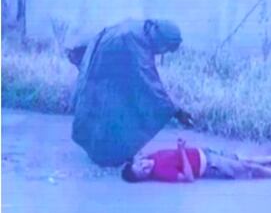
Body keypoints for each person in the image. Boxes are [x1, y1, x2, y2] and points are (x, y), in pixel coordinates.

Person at [69, 19, 195, 166]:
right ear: (158, 36)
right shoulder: (134, 40)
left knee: (107, 112)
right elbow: (149, 80)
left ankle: (104, 152)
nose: (161, 52)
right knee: (113, 114)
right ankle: (105, 156)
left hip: (103, 73)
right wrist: (176, 111)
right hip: (103, 77)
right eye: (165, 48)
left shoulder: (139, 29)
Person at [122, 139, 271, 183]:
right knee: (251, 168)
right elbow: (188, 178)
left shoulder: (148, 157)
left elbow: (136, 152)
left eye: (140, 165)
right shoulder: (161, 173)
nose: (145, 167)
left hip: (207, 153)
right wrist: (182, 151)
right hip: (211, 165)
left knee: (243, 159)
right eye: (143, 172)